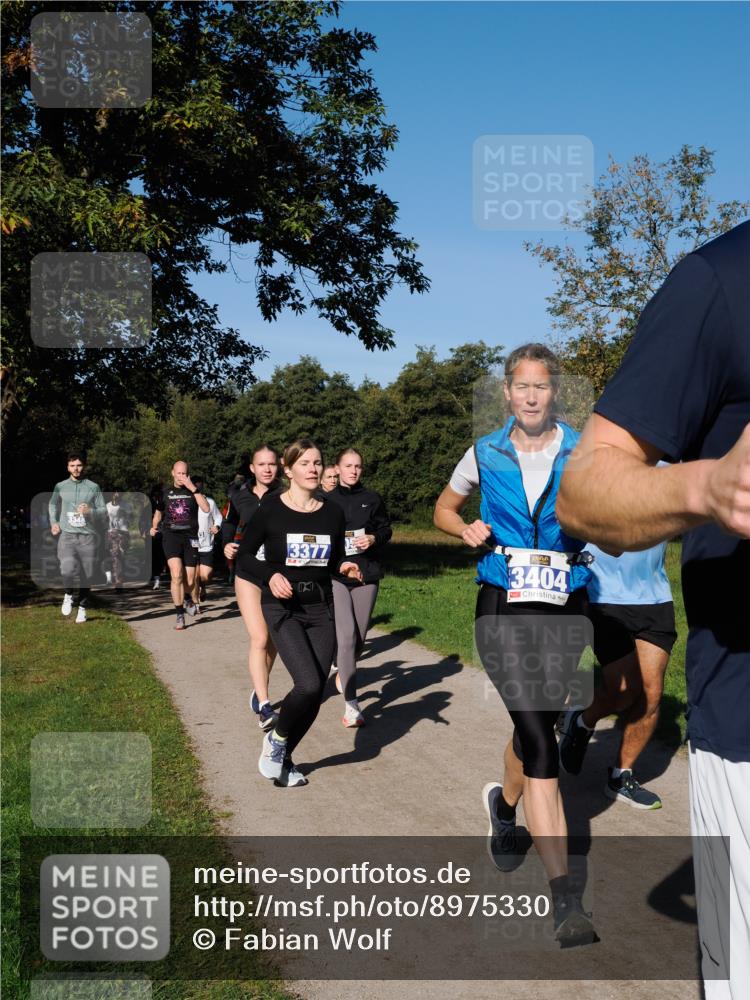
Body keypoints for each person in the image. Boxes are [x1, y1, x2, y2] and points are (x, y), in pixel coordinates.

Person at [555, 220, 750, 995]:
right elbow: (581, 492)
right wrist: (707, 486)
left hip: (657, 599)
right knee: (625, 691)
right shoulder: (721, 280)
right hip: (745, 718)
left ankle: (621, 767)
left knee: (646, 691)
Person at [433, 343, 596, 946]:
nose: (531, 396)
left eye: (541, 386)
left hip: (565, 604)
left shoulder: (584, 448)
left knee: (537, 731)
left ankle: (504, 807)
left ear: (555, 391)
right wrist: (465, 527)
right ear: (506, 392)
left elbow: (609, 510)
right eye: (521, 386)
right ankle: (565, 902)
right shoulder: (484, 450)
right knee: (542, 745)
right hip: (502, 603)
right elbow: (444, 509)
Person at [236, 439, 362, 787]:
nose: (313, 469)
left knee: (315, 693)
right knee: (307, 684)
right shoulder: (271, 510)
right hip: (282, 607)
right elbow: (244, 556)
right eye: (304, 463)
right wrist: (270, 575)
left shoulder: (332, 512)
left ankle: (284, 760)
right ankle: (276, 739)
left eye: (317, 462)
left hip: (320, 607)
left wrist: (344, 566)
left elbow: (333, 560)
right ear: (288, 469)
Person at [558, 537, 676, 809]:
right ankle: (583, 720)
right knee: (624, 690)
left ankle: (620, 777)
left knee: (652, 693)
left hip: (655, 595)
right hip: (601, 593)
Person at [326, 448, 392, 727]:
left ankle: (345, 667)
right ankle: (352, 705)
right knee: (346, 636)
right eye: (348, 466)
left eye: (358, 466)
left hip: (366, 572)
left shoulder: (372, 498)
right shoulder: (326, 501)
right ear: (337, 469)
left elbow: (386, 529)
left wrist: (373, 539)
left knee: (359, 638)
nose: (353, 471)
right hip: (336, 575)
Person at [223, 445, 285, 730]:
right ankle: (265, 704)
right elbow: (230, 523)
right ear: (252, 468)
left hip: (277, 574)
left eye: (271, 464)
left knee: (273, 640)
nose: (267, 469)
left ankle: (260, 686)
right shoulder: (239, 494)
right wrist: (227, 543)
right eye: (262, 464)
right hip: (248, 572)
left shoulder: (285, 494)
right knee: (259, 637)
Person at [150, 461, 210, 630]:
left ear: (188, 475)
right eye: (179, 473)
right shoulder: (165, 493)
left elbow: (206, 509)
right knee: (176, 574)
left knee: (190, 580)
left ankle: (187, 598)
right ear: (173, 473)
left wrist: (193, 489)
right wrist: (154, 527)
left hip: (190, 537)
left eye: (184, 474)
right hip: (171, 536)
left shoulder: (193, 491)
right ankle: (179, 614)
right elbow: (158, 514)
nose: (181, 477)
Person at [48, 452, 107, 623]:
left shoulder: (93, 487)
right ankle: (68, 594)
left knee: (87, 575)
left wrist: (90, 511)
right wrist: (54, 522)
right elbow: (52, 504)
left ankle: (82, 608)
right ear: (68, 467)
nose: (76, 468)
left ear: (84, 467)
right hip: (67, 535)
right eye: (72, 465)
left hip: (88, 537)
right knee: (66, 569)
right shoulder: (60, 486)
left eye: (79, 465)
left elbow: (103, 510)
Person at [191, 477, 222, 612]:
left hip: (206, 544)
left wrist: (217, 526)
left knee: (205, 575)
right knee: (194, 575)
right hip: (191, 544)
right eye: (195, 485)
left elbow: (218, 517)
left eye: (200, 486)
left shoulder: (210, 502)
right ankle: (195, 604)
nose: (198, 488)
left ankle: (202, 586)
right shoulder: (187, 503)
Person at [105, 491, 132, 591]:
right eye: (114, 493)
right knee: (115, 556)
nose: (116, 495)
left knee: (121, 555)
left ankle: (120, 577)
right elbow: (105, 519)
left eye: (118, 493)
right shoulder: (107, 505)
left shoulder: (126, 505)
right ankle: (118, 581)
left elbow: (130, 518)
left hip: (123, 532)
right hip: (111, 533)